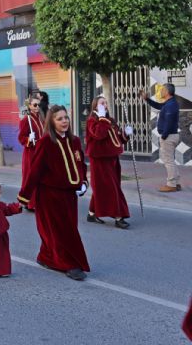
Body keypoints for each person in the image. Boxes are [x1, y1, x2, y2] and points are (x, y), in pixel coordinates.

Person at [18, 105, 90, 281]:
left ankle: (46, 257)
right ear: (51, 122)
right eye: (59, 119)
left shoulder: (74, 141)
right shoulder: (45, 143)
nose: (64, 121)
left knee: (68, 229)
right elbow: (34, 171)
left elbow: (80, 163)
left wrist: (83, 183)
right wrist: (24, 196)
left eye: (66, 118)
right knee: (60, 232)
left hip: (69, 195)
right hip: (49, 195)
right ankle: (69, 264)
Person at [85, 96, 132, 229]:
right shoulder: (92, 121)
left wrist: (126, 134)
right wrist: (102, 119)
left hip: (112, 157)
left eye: (106, 103)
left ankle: (91, 213)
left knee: (105, 186)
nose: (105, 105)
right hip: (100, 158)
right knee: (111, 187)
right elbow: (99, 135)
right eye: (102, 103)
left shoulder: (109, 120)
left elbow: (117, 139)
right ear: (95, 106)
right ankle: (118, 216)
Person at [142, 84, 181, 192]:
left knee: (168, 161)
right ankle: (176, 183)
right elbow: (159, 106)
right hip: (170, 135)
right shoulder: (169, 103)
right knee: (171, 160)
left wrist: (164, 136)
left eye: (162, 89)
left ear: (167, 91)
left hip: (168, 136)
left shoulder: (171, 104)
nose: (161, 91)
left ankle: (171, 184)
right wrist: (147, 99)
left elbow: (169, 122)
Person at [17, 94, 45, 211]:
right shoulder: (26, 120)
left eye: (39, 104)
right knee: (31, 177)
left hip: (41, 151)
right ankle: (29, 202)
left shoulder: (41, 118)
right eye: (35, 104)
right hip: (31, 153)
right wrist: (29, 139)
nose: (37, 107)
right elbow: (21, 138)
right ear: (29, 106)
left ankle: (39, 201)